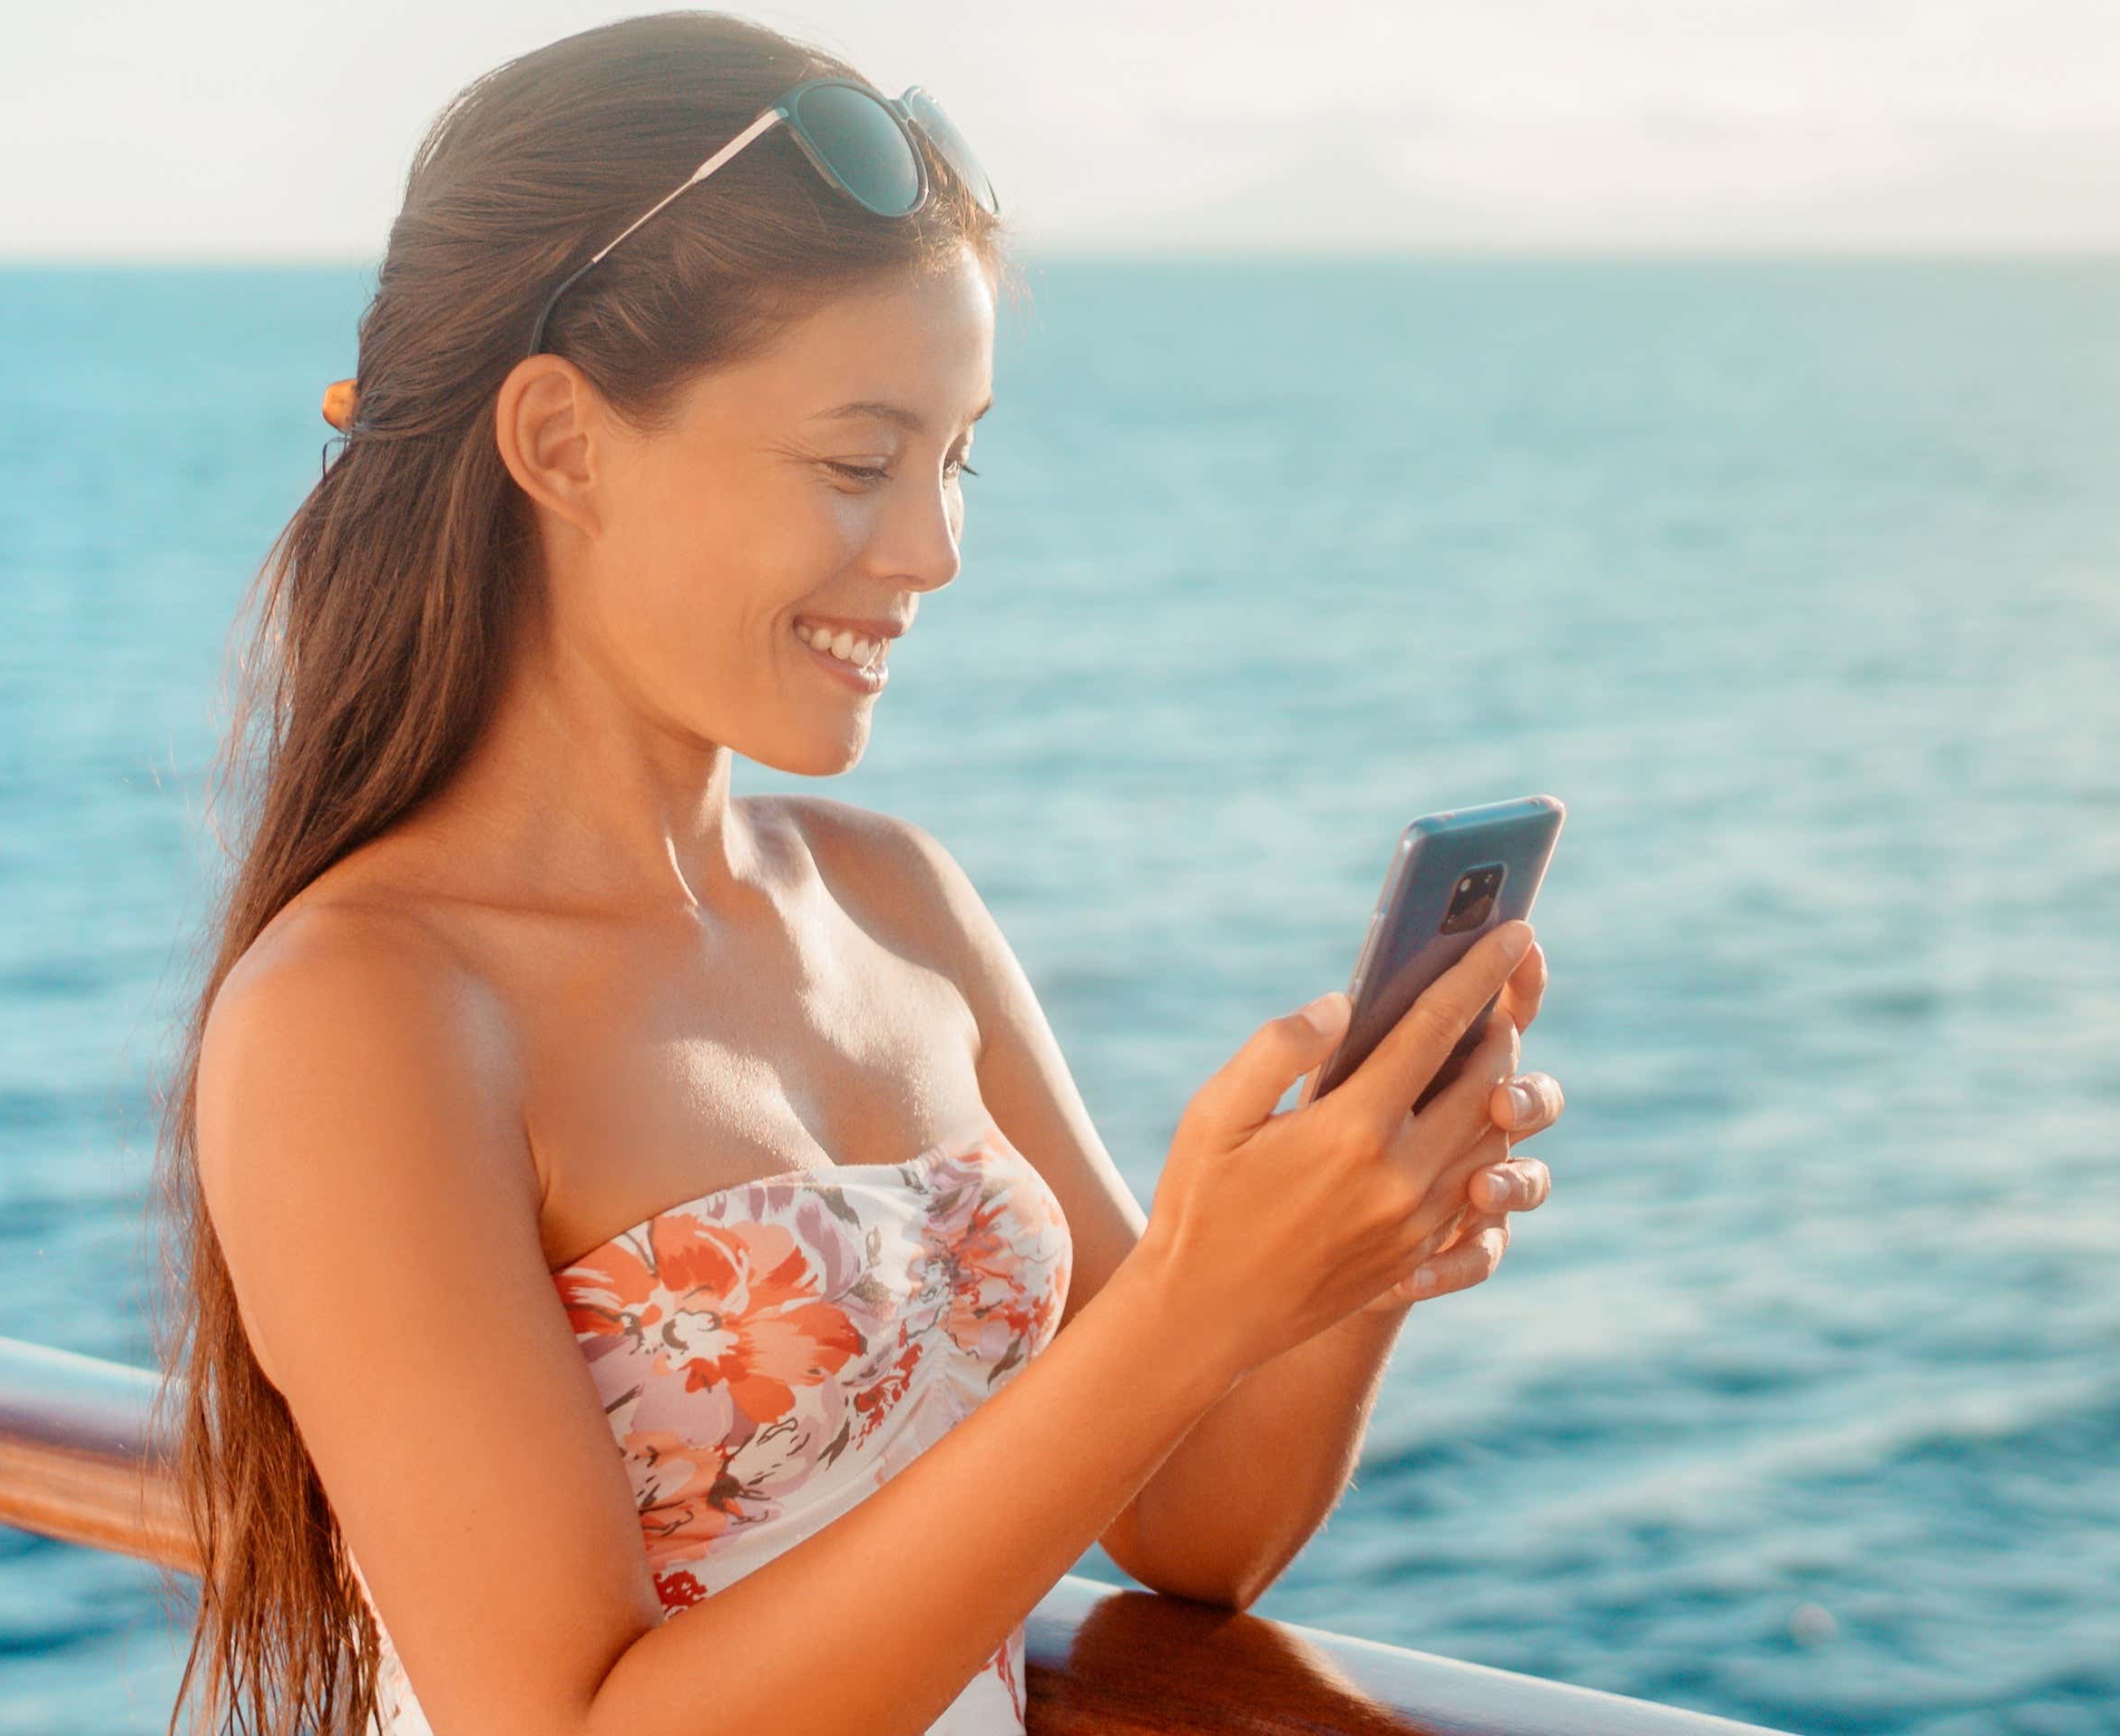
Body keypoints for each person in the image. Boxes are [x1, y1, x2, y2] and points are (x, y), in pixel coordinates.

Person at [144, 14, 1568, 1734]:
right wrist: (1194, 1300)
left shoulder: (894, 903)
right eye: (856, 460)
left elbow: (1198, 1527)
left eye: (959, 455)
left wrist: (1349, 1250)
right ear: (562, 443)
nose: (936, 549)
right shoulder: (363, 1015)